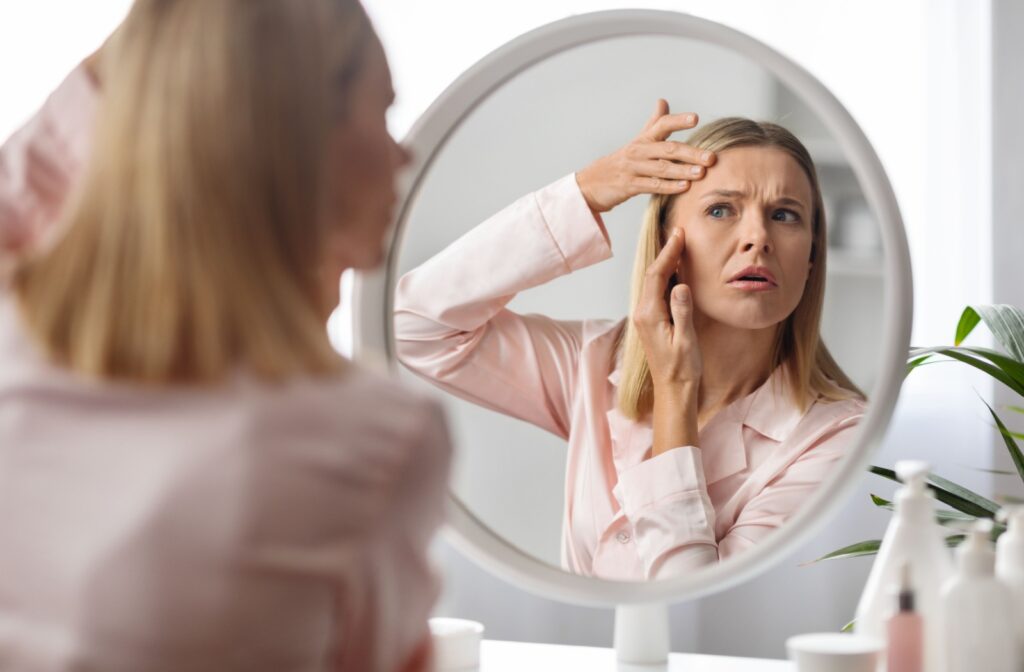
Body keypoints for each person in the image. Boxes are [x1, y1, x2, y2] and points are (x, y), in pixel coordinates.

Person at [0, 1, 450, 670]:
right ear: (292, 137)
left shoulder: (14, 344)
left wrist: (177, 39)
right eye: (381, 112)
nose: (403, 150)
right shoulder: (374, 439)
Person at [394, 106, 865, 581]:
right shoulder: (591, 362)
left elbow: (693, 611)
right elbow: (411, 326)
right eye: (721, 209)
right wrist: (585, 194)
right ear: (668, 244)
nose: (757, 238)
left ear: (810, 256)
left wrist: (675, 392)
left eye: (784, 215)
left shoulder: (836, 437)